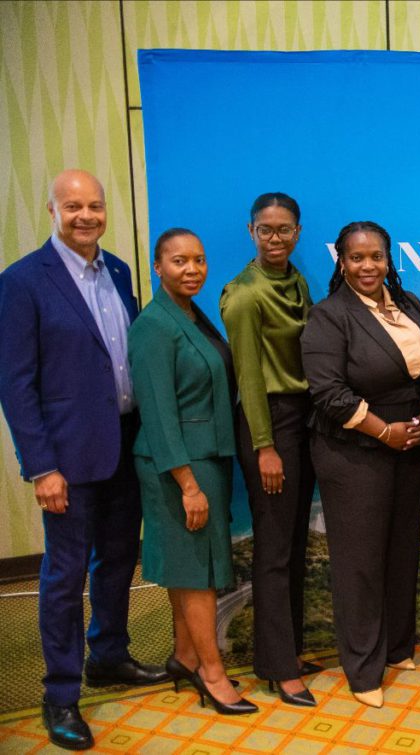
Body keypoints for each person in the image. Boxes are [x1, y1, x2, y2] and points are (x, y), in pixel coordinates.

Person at [0, 169, 168, 750]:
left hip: (125, 443)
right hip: (67, 458)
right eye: (73, 206)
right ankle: (61, 693)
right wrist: (41, 467)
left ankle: (109, 656)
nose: (86, 216)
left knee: (119, 559)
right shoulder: (22, 282)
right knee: (65, 574)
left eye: (94, 205)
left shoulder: (118, 271)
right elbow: (16, 385)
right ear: (52, 211)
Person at [301, 221, 420, 708]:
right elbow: (328, 393)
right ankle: (363, 670)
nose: (367, 266)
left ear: (387, 259)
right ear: (341, 262)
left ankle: (397, 648)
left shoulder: (410, 304)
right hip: (354, 449)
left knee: (401, 550)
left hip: (410, 441)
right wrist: (384, 431)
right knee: (359, 561)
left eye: (376, 256)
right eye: (356, 257)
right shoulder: (329, 316)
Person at [129, 228, 256, 716]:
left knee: (191, 566)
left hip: (206, 459)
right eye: (179, 261)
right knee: (196, 573)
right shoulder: (153, 326)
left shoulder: (191, 314)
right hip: (178, 465)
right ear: (157, 267)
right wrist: (187, 484)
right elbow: (158, 414)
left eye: (199, 260)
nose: (192, 269)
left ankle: (184, 657)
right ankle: (212, 674)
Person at [220, 192, 318, 707]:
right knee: (275, 548)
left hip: (301, 419)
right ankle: (279, 668)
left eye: (284, 230)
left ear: (297, 232)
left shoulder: (296, 280)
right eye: (266, 230)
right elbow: (249, 378)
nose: (275, 238)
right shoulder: (243, 295)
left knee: (295, 542)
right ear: (251, 231)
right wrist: (264, 447)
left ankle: (288, 652)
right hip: (269, 423)